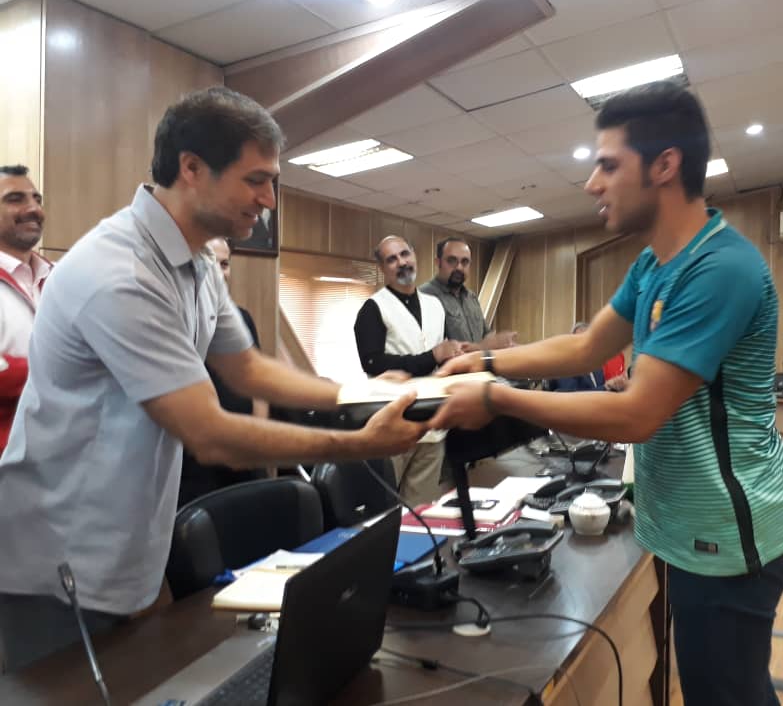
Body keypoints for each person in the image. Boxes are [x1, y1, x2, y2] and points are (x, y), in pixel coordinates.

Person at [0, 87, 426, 672]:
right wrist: (360, 443)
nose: (269, 200)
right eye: (256, 180)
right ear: (192, 169)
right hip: (57, 560)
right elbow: (211, 434)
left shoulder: (199, 262)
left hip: (133, 545)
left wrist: (366, 394)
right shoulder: (120, 271)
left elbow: (247, 367)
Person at [429, 81, 783, 705]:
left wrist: (497, 397)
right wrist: (485, 360)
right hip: (691, 521)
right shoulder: (655, 263)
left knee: (725, 692)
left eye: (608, 165)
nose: (591, 184)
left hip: (732, 529)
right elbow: (584, 348)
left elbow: (636, 414)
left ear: (665, 165)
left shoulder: (720, 268)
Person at [354, 235, 461, 504]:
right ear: (382, 268)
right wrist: (430, 357)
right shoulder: (373, 309)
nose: (401, 262)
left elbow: (441, 354)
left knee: (422, 506)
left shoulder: (435, 306)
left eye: (404, 254)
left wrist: (455, 356)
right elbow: (372, 363)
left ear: (414, 255)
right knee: (384, 505)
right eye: (391, 259)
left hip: (432, 424)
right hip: (393, 421)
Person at [177, 236, 268, 506]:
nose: (219, 272)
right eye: (211, 262)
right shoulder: (176, 319)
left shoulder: (242, 318)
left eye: (225, 264)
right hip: (197, 464)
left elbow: (258, 385)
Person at [0, 165, 50, 456]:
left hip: (60, 459)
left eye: (37, 199)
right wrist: (63, 371)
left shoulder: (64, 277)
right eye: (14, 199)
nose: (33, 208)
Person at [418, 236, 516, 349]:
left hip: (478, 360)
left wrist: (501, 342)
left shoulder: (471, 297)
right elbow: (430, 348)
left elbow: (485, 334)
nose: (459, 267)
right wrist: (482, 347)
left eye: (465, 262)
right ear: (438, 262)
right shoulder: (424, 296)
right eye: (452, 261)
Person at [548, 322, 624, 392]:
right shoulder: (566, 367)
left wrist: (613, 387)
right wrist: (605, 387)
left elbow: (600, 391)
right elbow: (572, 396)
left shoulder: (597, 366)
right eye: (579, 340)